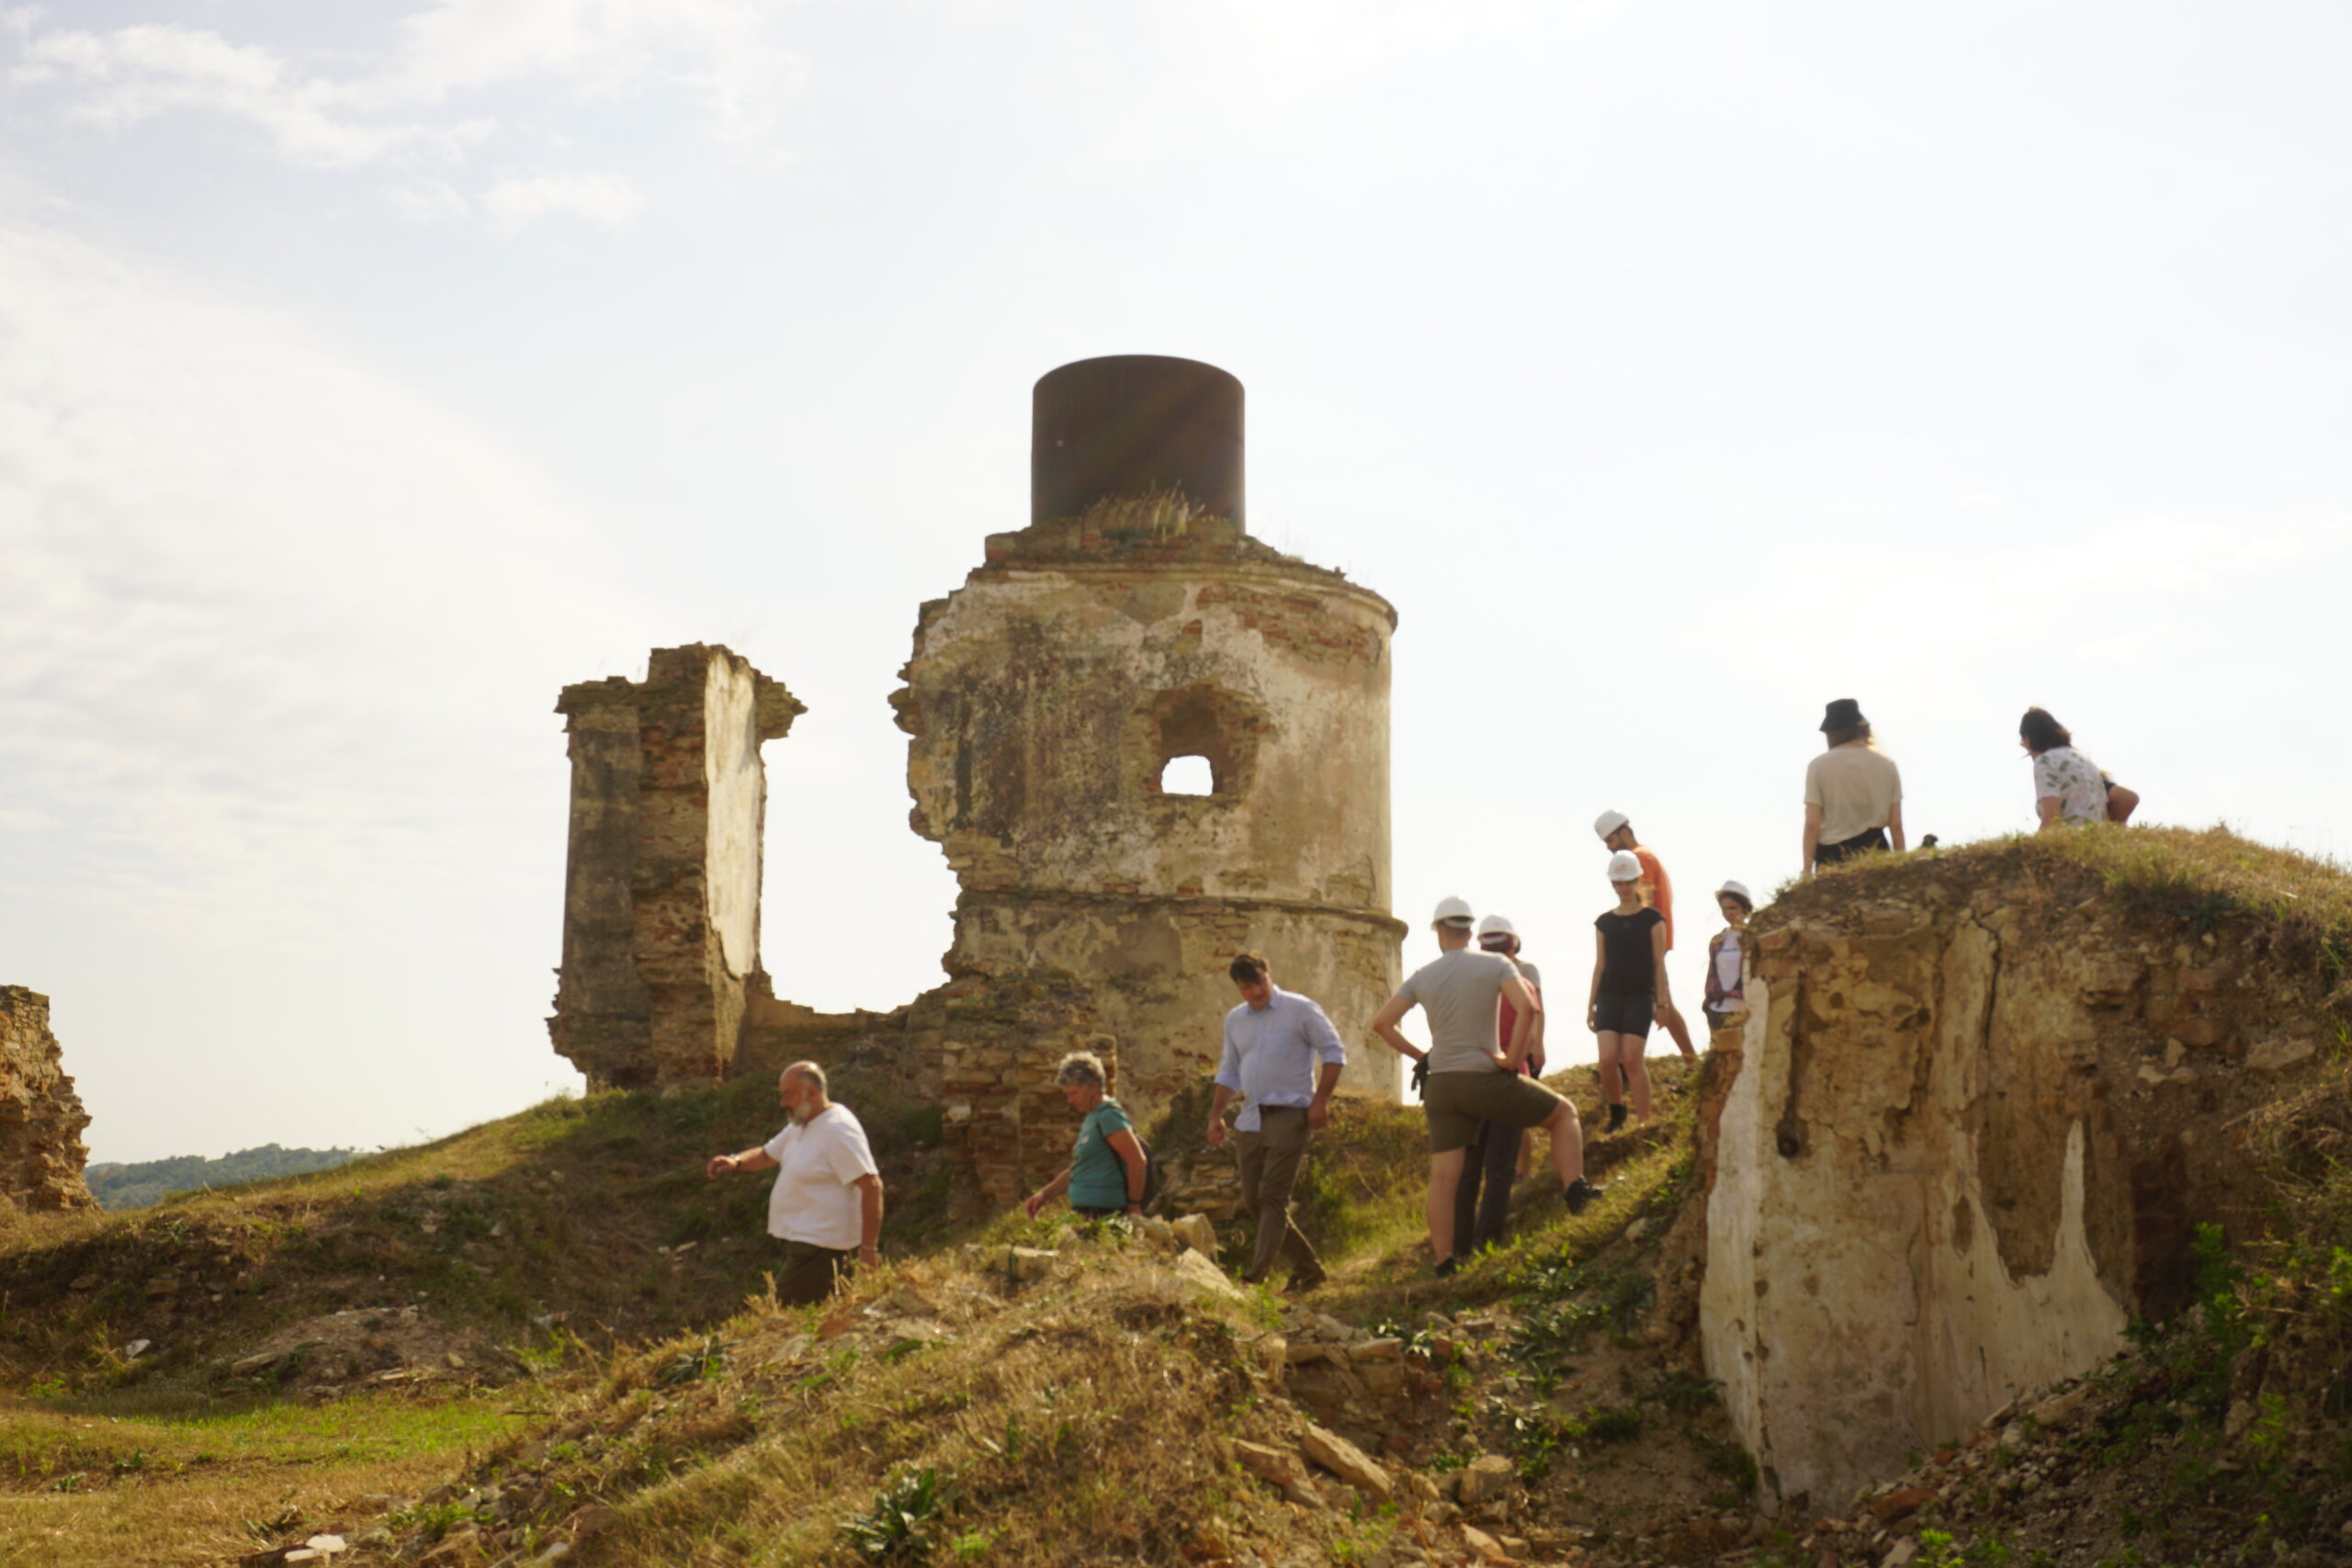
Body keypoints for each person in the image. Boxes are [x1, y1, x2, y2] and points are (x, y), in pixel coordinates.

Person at [1372, 897, 1602, 1278]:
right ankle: (1576, 1192)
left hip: (1441, 1085)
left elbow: (1382, 1023)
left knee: (1445, 1178)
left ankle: (1444, 1261)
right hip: (1484, 1076)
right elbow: (1528, 1007)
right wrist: (1512, 1060)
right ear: (1469, 930)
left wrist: (1421, 1057)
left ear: (1438, 933)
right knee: (1564, 1115)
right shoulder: (1496, 964)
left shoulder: (1422, 975)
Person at [1205, 952, 1345, 1292]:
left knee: (1272, 1197)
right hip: (1251, 1117)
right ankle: (1308, 1269)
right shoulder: (1236, 1020)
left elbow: (1333, 1052)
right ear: (1238, 988)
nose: (1255, 992)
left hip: (1290, 1114)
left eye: (1259, 983)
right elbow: (1229, 1070)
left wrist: (1320, 1101)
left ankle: (1255, 1276)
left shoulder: (1300, 1009)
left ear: (1269, 974)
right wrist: (1215, 1116)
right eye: (1246, 987)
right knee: (1254, 1200)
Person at [706, 1062, 883, 1305]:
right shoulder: (803, 1123)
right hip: (805, 1244)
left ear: (811, 1092)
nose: (782, 1103)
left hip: (824, 1248)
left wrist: (868, 1250)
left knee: (780, 1312)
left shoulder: (838, 1129)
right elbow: (767, 1155)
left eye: (788, 1095)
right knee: (806, 1317)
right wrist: (736, 1161)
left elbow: (872, 1186)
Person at [1447, 914, 1542, 1255]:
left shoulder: (1467, 986)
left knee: (1469, 1169)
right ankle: (1487, 1243)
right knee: (1500, 1168)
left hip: (1470, 1079)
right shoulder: (1524, 986)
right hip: (1509, 1081)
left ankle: (1460, 1248)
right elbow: (1529, 1037)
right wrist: (1511, 1061)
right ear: (1513, 946)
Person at [1592, 811, 1698, 1062]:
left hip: (1645, 942)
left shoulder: (1640, 858)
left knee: (1659, 1002)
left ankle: (1691, 1061)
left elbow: (1642, 902)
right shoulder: (1646, 854)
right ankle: (1689, 1061)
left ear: (1624, 832)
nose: (1609, 848)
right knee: (1660, 1002)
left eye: (1611, 840)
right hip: (1650, 940)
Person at [1588, 852, 1675, 1130]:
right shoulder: (1604, 922)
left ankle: (1645, 1121)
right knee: (1607, 1059)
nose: (1623, 888)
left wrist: (1662, 1004)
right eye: (1617, 883)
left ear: (1638, 881)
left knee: (1631, 1059)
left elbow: (1658, 963)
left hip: (1640, 996)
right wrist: (1590, 1005)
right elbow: (1600, 964)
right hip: (1609, 997)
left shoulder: (1653, 919)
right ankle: (1618, 1111)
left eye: (1627, 882)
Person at [1023, 1051, 1148, 1221]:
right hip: (1087, 1212)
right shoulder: (1093, 1117)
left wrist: (1133, 1206)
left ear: (1094, 1086)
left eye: (1073, 1093)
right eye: (1067, 1094)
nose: (1070, 1100)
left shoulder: (1108, 1116)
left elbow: (1137, 1161)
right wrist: (1044, 1194)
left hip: (1105, 1213)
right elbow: (1080, 1168)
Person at [1803, 698, 1905, 874]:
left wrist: (1806, 870)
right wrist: (1902, 864)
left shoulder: (1818, 766)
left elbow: (1813, 824)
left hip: (1832, 854)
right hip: (1876, 849)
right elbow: (1895, 825)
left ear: (1830, 732)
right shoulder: (1886, 764)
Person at [2019, 707, 2109, 831]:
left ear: (2029, 738)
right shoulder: (2085, 760)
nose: (2021, 743)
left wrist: (2026, 849)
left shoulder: (2045, 761)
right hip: (2098, 840)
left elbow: (2052, 818)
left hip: (2072, 842)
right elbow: (2105, 815)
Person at [1702, 880, 1753, 1043]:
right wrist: (1709, 1005)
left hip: (1746, 1010)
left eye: (1733, 908)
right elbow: (1712, 975)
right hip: (1719, 1011)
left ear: (1744, 908)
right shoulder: (1717, 941)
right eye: (1724, 909)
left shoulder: (1754, 938)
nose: (1729, 913)